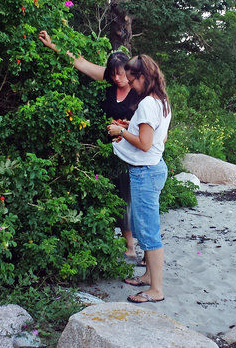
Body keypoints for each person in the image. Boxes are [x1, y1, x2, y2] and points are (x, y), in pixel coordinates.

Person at [38, 30, 143, 265]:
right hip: (110, 152)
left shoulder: (140, 92)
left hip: (134, 152)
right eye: (114, 75)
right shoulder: (109, 79)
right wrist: (52, 45)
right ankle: (126, 246)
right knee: (116, 197)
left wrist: (126, 128)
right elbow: (80, 62)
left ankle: (139, 249)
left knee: (132, 199)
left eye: (121, 74)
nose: (118, 79)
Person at [107, 54, 171, 304]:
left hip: (145, 171)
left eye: (132, 81)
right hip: (155, 167)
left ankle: (156, 290)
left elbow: (145, 144)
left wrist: (121, 131)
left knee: (148, 231)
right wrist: (131, 126)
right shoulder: (161, 100)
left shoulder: (146, 104)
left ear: (143, 77)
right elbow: (158, 138)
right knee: (146, 226)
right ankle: (147, 276)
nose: (130, 86)